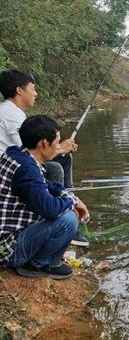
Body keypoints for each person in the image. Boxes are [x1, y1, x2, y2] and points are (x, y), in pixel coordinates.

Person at [0, 69, 88, 246]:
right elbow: (32, 149)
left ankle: (66, 203)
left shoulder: (11, 110)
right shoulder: (11, 114)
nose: (36, 93)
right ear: (19, 90)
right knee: (55, 167)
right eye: (32, 88)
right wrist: (60, 147)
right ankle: (63, 217)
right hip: (10, 169)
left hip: (13, 163)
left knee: (64, 159)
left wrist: (60, 149)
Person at [0, 115, 89, 279]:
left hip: (8, 236)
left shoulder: (16, 154)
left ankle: (37, 260)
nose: (58, 147)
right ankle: (39, 264)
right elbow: (51, 210)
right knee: (69, 219)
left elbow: (46, 184)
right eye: (56, 142)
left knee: (65, 205)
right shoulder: (27, 171)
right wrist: (72, 203)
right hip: (8, 249)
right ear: (43, 144)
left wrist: (72, 198)